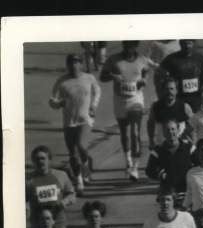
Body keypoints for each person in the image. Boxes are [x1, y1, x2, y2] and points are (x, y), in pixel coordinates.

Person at [99, 41, 153, 181]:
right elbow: (102, 77)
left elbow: (146, 72)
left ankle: (135, 167)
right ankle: (128, 161)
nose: (130, 48)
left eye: (132, 45)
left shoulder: (141, 59)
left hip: (136, 99)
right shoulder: (113, 60)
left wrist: (144, 80)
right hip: (120, 101)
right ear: (123, 45)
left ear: (136, 46)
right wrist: (112, 76)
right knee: (125, 134)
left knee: (135, 132)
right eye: (127, 44)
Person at [50, 53, 101, 192]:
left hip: (85, 119)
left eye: (76, 62)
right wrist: (58, 103)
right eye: (71, 63)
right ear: (67, 65)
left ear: (81, 64)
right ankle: (79, 181)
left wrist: (93, 106)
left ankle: (85, 164)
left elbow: (97, 91)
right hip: (69, 121)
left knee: (81, 145)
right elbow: (52, 100)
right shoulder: (62, 81)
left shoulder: (89, 78)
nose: (74, 65)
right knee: (72, 153)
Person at [27, 145, 76, 228]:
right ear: (33, 161)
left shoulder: (61, 175)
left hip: (58, 223)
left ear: (49, 160)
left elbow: (72, 195)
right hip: (37, 224)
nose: (40, 161)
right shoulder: (27, 179)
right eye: (37, 159)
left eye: (43, 158)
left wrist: (63, 202)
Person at [146, 119, 194, 202]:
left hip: (187, 191)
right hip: (167, 193)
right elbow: (149, 171)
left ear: (178, 130)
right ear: (163, 132)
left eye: (173, 129)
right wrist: (160, 174)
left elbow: (200, 164)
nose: (170, 132)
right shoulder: (158, 150)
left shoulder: (189, 148)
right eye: (167, 130)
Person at [160, 39, 203, 113]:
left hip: (196, 97)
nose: (187, 46)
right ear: (180, 44)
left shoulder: (199, 58)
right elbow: (161, 73)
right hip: (179, 96)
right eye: (184, 43)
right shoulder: (171, 59)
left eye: (189, 43)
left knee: (196, 117)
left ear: (193, 44)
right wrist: (165, 89)